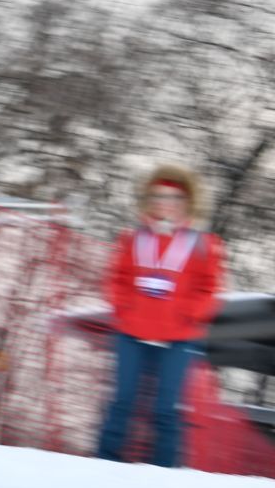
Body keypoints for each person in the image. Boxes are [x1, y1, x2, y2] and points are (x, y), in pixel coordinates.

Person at [95, 165, 226, 468]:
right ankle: (102, 466)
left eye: (174, 197)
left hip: (180, 337)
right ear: (148, 199)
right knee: (122, 401)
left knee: (166, 409)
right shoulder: (132, 238)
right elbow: (116, 278)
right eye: (158, 195)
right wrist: (124, 308)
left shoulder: (204, 243)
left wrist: (189, 315)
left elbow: (210, 288)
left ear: (187, 201)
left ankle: (165, 475)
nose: (165, 202)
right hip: (132, 333)